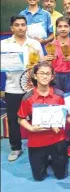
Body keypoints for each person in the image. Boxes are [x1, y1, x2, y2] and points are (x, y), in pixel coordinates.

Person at [1, 15, 43, 161]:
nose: (20, 27)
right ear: (12, 28)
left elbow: (42, 65)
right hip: (12, 88)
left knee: (36, 118)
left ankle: (38, 145)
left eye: (23, 25)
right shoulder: (4, 44)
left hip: (32, 88)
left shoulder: (35, 44)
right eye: (17, 25)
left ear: (27, 27)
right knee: (13, 120)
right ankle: (16, 148)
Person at [17, 62, 68, 181]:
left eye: (48, 73)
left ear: (52, 77)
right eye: (41, 73)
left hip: (57, 139)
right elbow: (21, 119)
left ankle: (53, 161)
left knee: (61, 176)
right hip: (37, 141)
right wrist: (31, 128)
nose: (45, 76)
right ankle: (46, 160)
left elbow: (65, 116)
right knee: (39, 177)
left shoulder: (60, 96)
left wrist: (59, 124)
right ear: (35, 76)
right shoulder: (28, 98)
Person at [44, 16, 70, 93]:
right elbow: (49, 66)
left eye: (66, 26)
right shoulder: (51, 45)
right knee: (57, 99)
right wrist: (47, 60)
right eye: (60, 26)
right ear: (57, 29)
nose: (63, 29)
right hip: (55, 76)